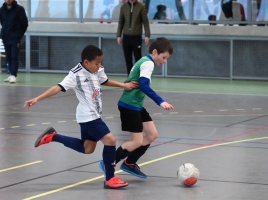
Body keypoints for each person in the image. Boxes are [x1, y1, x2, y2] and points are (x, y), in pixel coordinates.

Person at [24, 45, 138, 189]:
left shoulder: (98, 69)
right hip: (88, 116)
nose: (99, 66)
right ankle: (110, 178)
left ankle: (53, 136)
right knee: (110, 140)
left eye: (100, 63)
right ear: (86, 62)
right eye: (96, 63)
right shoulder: (75, 74)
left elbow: (104, 80)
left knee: (87, 148)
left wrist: (123, 85)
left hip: (94, 115)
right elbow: (57, 87)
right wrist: (37, 99)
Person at [98, 37, 174, 179]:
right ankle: (108, 163)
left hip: (137, 105)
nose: (164, 61)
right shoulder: (148, 63)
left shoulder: (144, 61)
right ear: (155, 52)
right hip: (129, 106)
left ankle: (130, 163)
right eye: (164, 57)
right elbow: (144, 85)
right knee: (137, 141)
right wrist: (160, 101)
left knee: (152, 135)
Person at [117, 0, 150, 76]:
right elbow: (121, 22)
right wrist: (119, 35)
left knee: (138, 59)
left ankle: (138, 78)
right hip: (126, 36)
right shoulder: (123, 7)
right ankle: (130, 78)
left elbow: (145, 22)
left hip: (136, 36)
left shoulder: (141, 7)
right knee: (128, 59)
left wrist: (147, 35)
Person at [0, 0, 28, 83]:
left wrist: (18, 35)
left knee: (14, 56)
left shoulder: (19, 9)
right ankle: (11, 74)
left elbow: (24, 24)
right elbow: (2, 22)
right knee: (8, 56)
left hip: (15, 38)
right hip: (6, 37)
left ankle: (14, 75)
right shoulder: (1, 9)